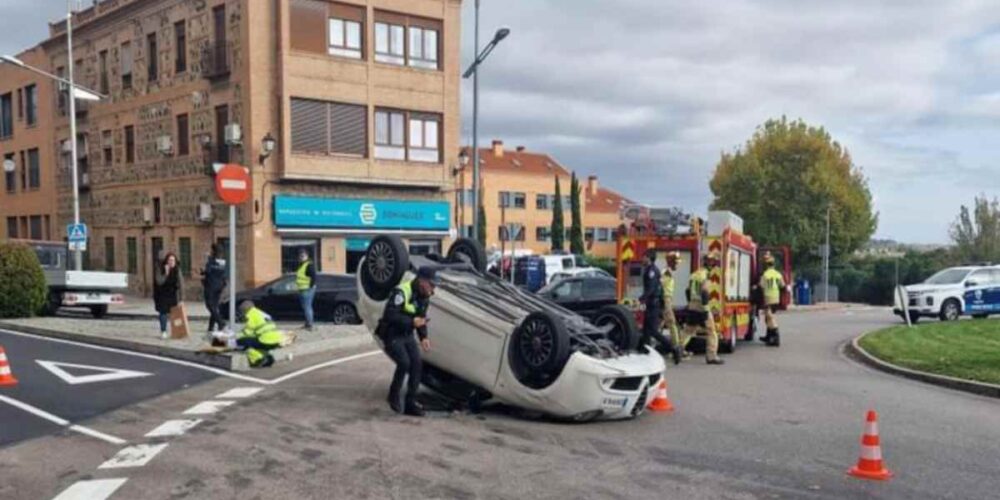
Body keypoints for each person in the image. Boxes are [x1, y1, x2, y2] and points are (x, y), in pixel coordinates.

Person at [380, 267, 437, 417]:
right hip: (392, 333)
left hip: (407, 334)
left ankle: (410, 403)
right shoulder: (401, 292)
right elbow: (389, 315)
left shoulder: (424, 296)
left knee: (417, 364)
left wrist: (424, 337)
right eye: (431, 285)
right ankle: (393, 395)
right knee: (404, 363)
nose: (433, 290)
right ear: (422, 281)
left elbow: (421, 318)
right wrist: (412, 322)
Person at [214, 300, 286, 368]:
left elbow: (247, 333)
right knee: (256, 343)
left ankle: (258, 359)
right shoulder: (260, 313)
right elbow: (259, 329)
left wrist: (232, 337)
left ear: (244, 310)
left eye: (242, 312)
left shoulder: (250, 316)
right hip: (276, 339)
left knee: (244, 342)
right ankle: (268, 357)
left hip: (266, 340)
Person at [640, 249, 681, 365]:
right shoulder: (650, 269)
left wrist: (642, 298)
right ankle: (645, 355)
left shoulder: (652, 271)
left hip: (653, 304)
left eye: (643, 256)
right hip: (651, 303)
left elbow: (652, 288)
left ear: (648, 257)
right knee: (646, 331)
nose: (642, 259)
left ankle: (673, 348)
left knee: (652, 331)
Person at [683, 253, 725, 365]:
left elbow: (687, 291)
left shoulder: (694, 274)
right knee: (712, 332)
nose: (713, 265)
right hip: (702, 308)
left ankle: (677, 350)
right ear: (708, 264)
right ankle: (711, 356)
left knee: (688, 331)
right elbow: (705, 292)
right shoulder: (705, 276)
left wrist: (690, 303)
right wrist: (706, 309)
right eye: (712, 263)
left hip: (693, 306)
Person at [661, 251, 690, 360]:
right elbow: (661, 287)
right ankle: (677, 349)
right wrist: (665, 302)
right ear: (671, 262)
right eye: (676, 263)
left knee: (661, 325)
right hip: (666, 300)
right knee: (672, 324)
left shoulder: (668, 272)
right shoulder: (666, 273)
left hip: (667, 300)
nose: (677, 265)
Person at [154, 252, 184, 340]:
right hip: (162, 295)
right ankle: (163, 331)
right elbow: (159, 281)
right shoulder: (160, 269)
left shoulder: (177, 270)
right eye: (170, 260)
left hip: (173, 294)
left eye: (173, 260)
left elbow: (181, 284)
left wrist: (181, 298)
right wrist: (166, 274)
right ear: (166, 261)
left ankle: (177, 331)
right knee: (163, 313)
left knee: (175, 314)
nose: (172, 262)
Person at [759, 252, 786, 347]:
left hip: (768, 297)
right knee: (768, 317)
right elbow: (783, 285)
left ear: (766, 265)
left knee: (769, 317)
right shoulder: (778, 274)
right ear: (773, 264)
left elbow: (761, 286)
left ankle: (775, 337)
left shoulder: (765, 274)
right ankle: (768, 336)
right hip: (776, 298)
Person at [201, 244, 228, 334]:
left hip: (211, 286)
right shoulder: (222, 261)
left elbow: (208, 271)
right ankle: (211, 327)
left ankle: (221, 323)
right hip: (219, 286)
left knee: (210, 306)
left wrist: (208, 260)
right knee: (214, 307)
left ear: (213, 251)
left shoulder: (211, 261)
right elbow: (219, 272)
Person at [295, 249, 318, 330]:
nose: (301, 257)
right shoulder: (301, 265)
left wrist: (311, 287)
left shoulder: (309, 265)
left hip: (307, 289)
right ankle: (307, 323)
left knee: (307, 307)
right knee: (305, 307)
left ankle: (310, 325)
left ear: (307, 256)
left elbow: (314, 277)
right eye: (300, 256)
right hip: (302, 289)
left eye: (303, 256)